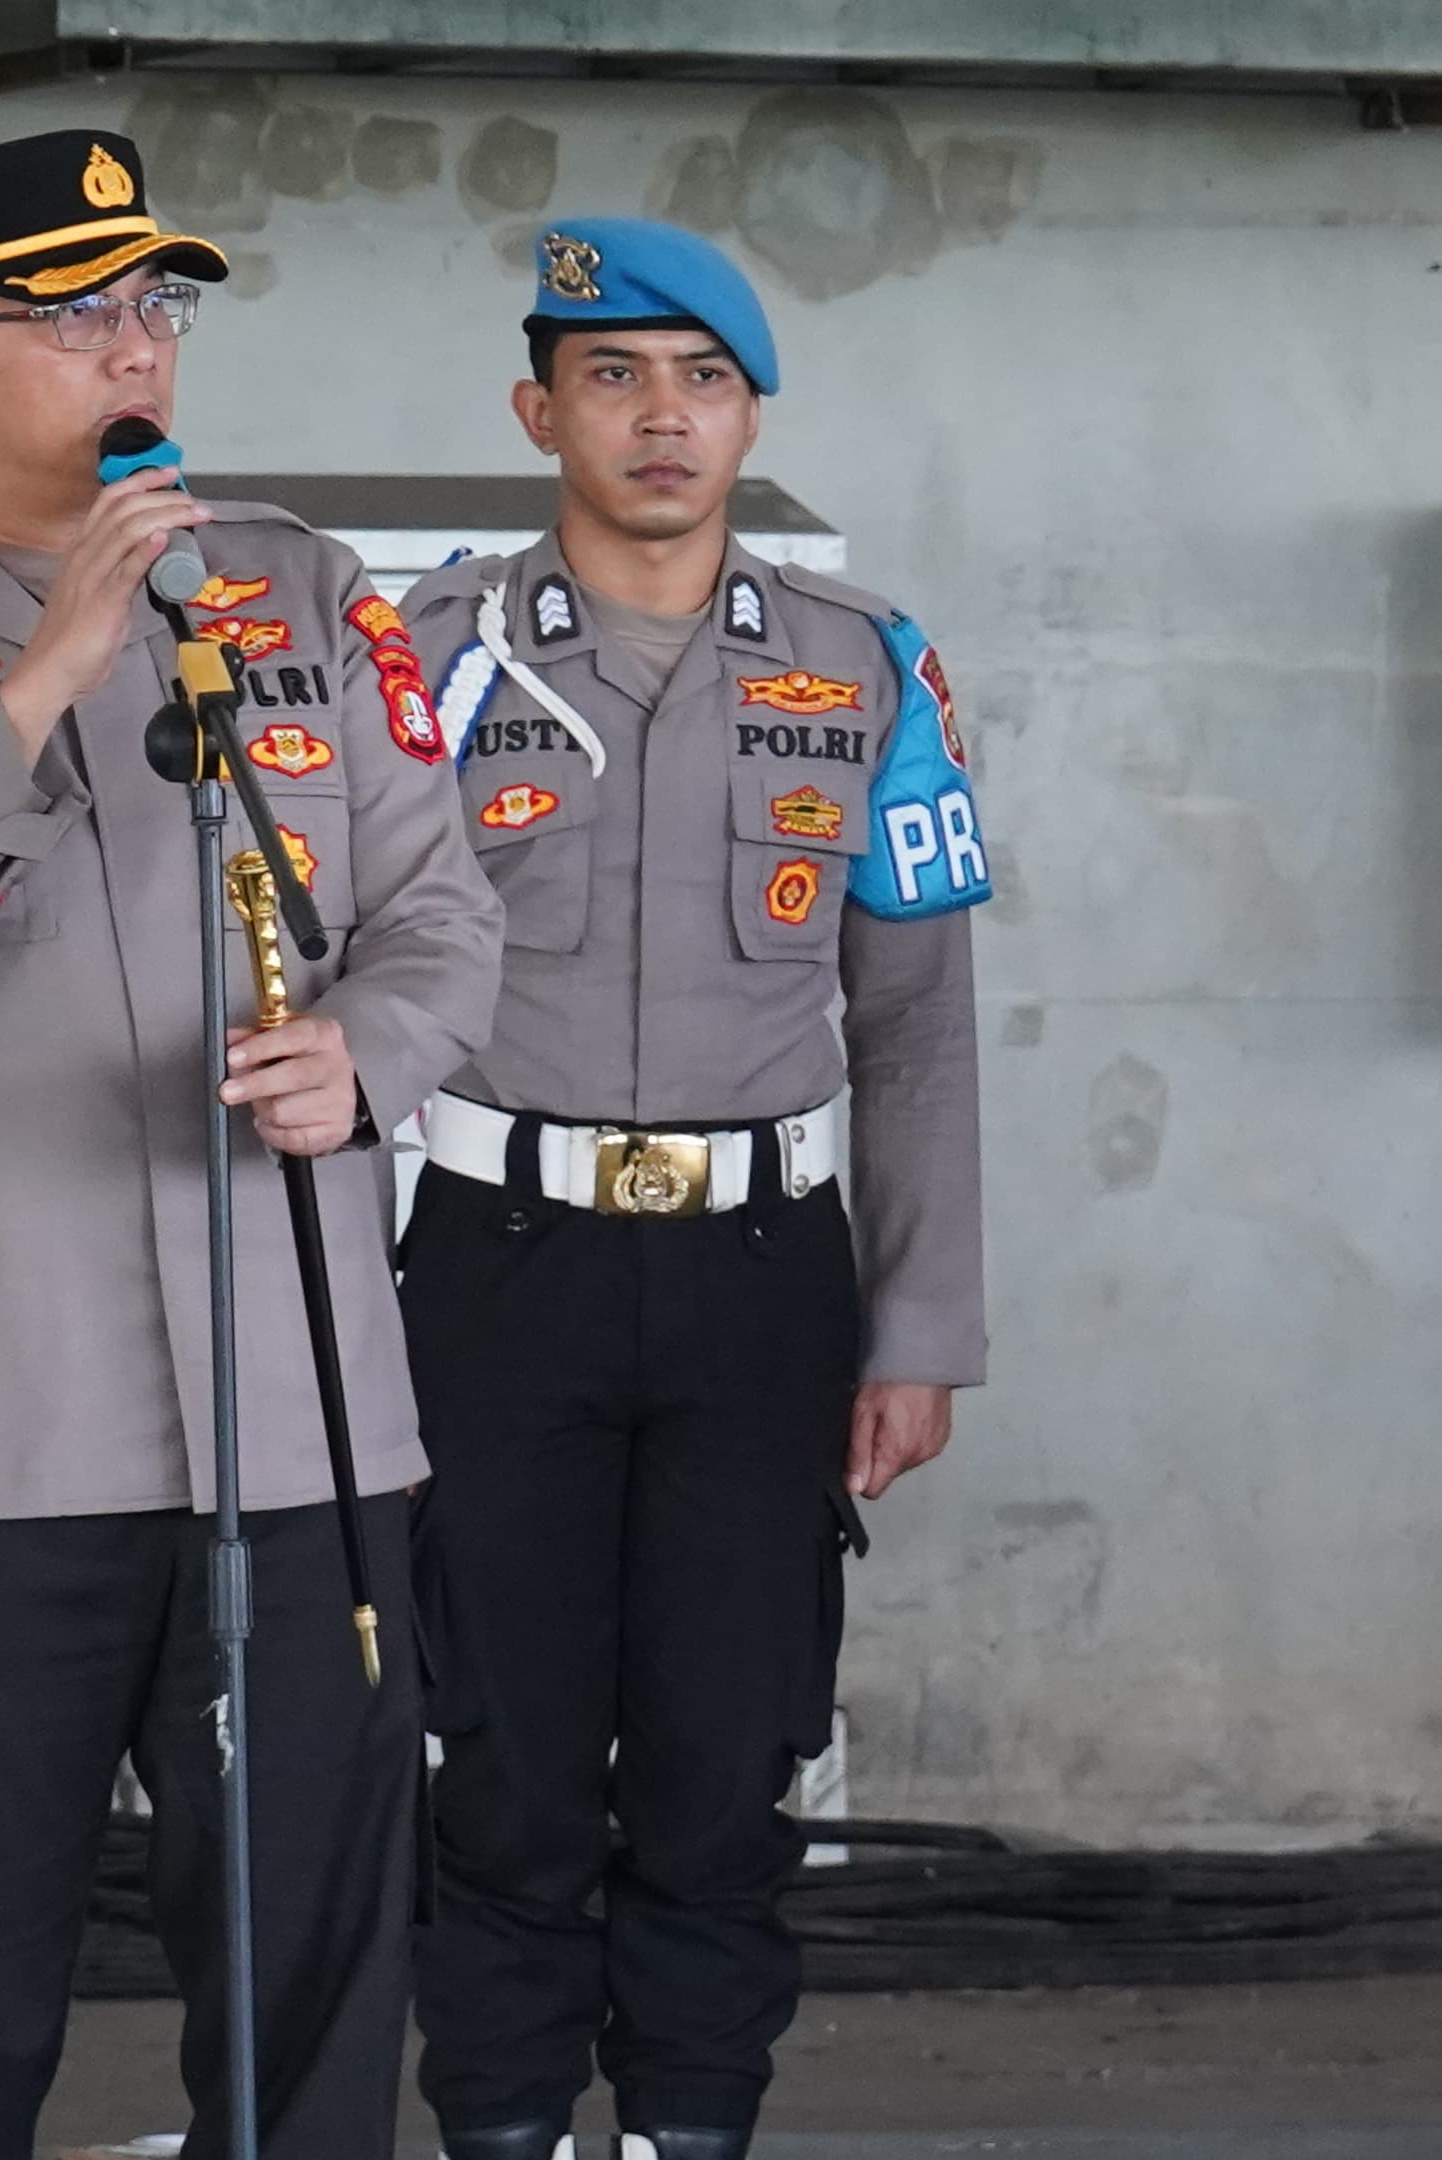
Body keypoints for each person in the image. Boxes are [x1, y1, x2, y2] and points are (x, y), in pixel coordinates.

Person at [0, 129, 506, 2160]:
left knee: (323, 1980)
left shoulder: (304, 592)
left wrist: (372, 1059)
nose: (133, 347)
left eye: (153, 305)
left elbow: (442, 915)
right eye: (70, 316)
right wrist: (45, 674)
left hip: (303, 1427)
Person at [396, 219, 990, 2160]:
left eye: (704, 381)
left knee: (732, 1757)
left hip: (761, 1278)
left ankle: (687, 2130)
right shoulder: (424, 664)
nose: (664, 418)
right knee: (501, 1758)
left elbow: (915, 1028)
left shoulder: (866, 669)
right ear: (537, 407)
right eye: (617, 376)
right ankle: (498, 2125)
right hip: (493, 1266)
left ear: (752, 417)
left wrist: (917, 1327)